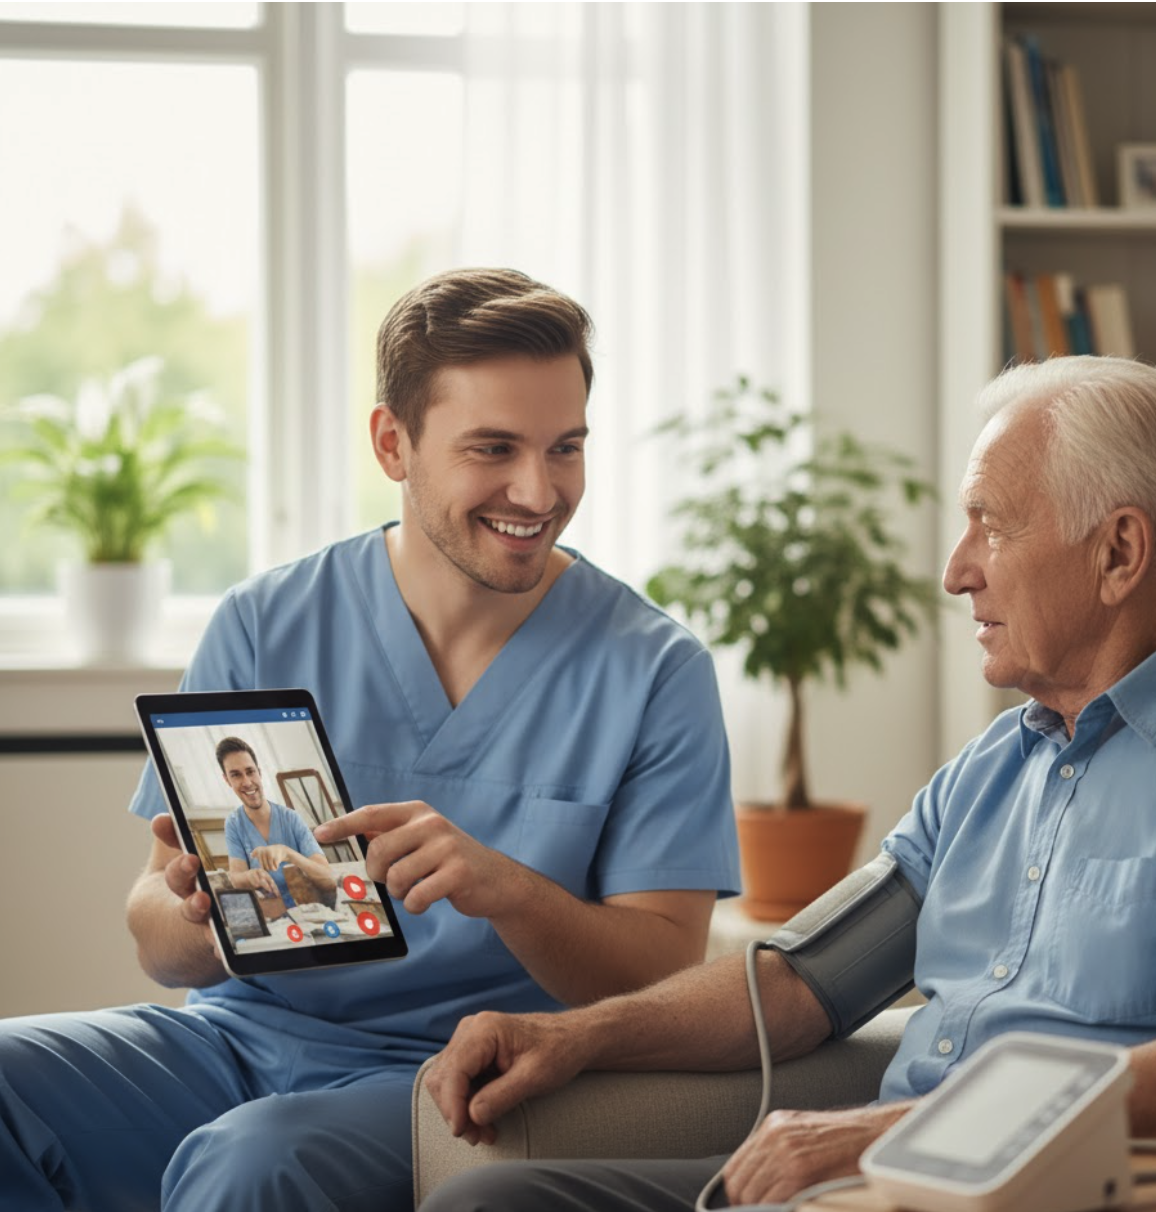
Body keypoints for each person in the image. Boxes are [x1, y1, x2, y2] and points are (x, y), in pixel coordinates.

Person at [421, 355, 1156, 1212]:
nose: (956, 571)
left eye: (991, 525)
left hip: (1032, 1188)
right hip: (867, 1181)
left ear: (1119, 551)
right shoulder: (993, 768)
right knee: (488, 1200)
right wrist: (569, 1036)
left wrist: (887, 1134)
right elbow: (798, 982)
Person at [0, 268, 740, 1212]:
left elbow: (663, 970)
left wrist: (507, 890)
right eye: (494, 448)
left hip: (456, 1079)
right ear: (394, 443)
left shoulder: (654, 670)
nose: (538, 489)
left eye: (566, 448)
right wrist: (210, 920)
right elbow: (152, 919)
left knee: (255, 1162)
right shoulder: (266, 622)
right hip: (234, 1038)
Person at [216, 735, 337, 910]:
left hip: (310, 907)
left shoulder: (291, 818)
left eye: (250, 771)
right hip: (273, 912)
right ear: (227, 780)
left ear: (259, 772)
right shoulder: (234, 823)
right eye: (236, 775)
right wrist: (250, 876)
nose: (247, 782)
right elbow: (236, 877)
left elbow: (328, 879)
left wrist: (288, 854)